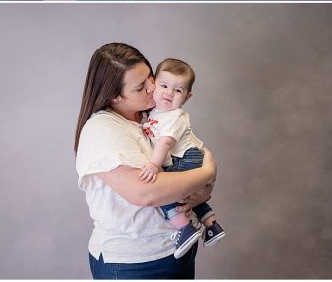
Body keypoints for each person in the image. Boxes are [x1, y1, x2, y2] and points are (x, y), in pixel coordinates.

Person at [75, 43, 217, 279]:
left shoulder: (153, 117)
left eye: (150, 77)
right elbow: (146, 193)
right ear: (115, 96)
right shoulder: (102, 129)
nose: (154, 88)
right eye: (141, 87)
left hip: (176, 251)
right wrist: (208, 173)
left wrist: (201, 191)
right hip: (136, 263)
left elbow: (194, 153)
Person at [139, 58, 225, 257]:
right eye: (164, 85)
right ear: (153, 85)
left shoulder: (174, 116)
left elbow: (165, 143)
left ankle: (184, 229)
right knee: (189, 195)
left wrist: (153, 164)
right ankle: (211, 226)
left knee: (165, 192)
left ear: (187, 97)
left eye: (178, 90)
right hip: (186, 157)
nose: (169, 93)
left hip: (185, 158)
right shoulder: (157, 112)